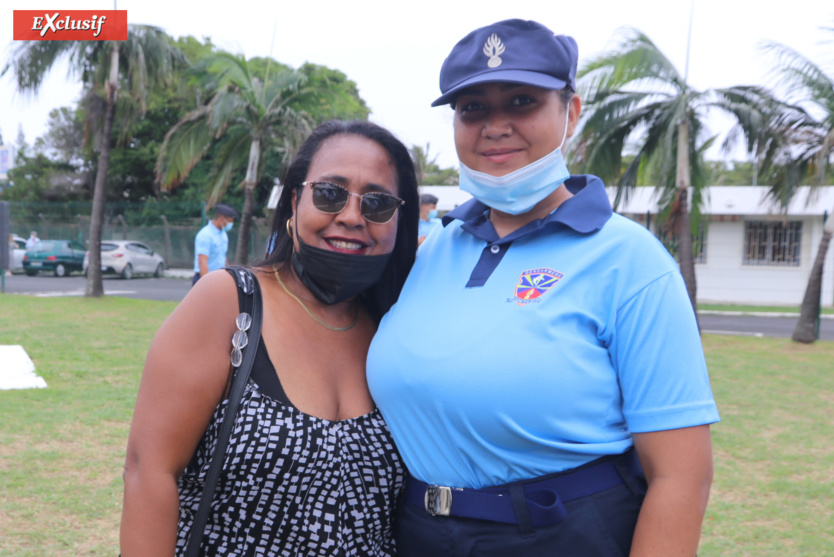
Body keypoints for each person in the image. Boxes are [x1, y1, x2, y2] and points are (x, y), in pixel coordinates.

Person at [367, 19, 720, 557]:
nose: (495, 125)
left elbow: (681, 475)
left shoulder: (629, 259)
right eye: (473, 109)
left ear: (571, 113)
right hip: (418, 532)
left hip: (560, 534)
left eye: (522, 101)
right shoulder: (433, 248)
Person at [120, 120, 420, 556]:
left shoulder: (393, 327)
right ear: (295, 202)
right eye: (330, 193)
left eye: (377, 203)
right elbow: (149, 471)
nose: (352, 216)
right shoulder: (230, 302)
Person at [192, 202, 239, 286]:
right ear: (221, 219)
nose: (230, 225)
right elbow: (202, 261)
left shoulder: (223, 234)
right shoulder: (206, 235)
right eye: (229, 221)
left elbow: (222, 256)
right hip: (205, 278)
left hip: (219, 278)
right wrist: (206, 284)